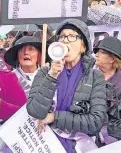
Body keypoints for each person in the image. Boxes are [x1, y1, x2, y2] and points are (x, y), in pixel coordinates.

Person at [26, 19, 107, 153]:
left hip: (78, 148)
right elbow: (35, 111)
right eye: (62, 36)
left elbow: (95, 122)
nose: (66, 40)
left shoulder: (95, 76)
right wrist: (52, 76)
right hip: (44, 145)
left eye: (72, 36)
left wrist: (54, 117)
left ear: (83, 46)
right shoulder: (45, 72)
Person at [94, 37, 121, 146]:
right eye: (97, 51)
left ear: (112, 59)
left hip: (109, 141)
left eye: (101, 52)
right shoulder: (89, 76)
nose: (97, 54)